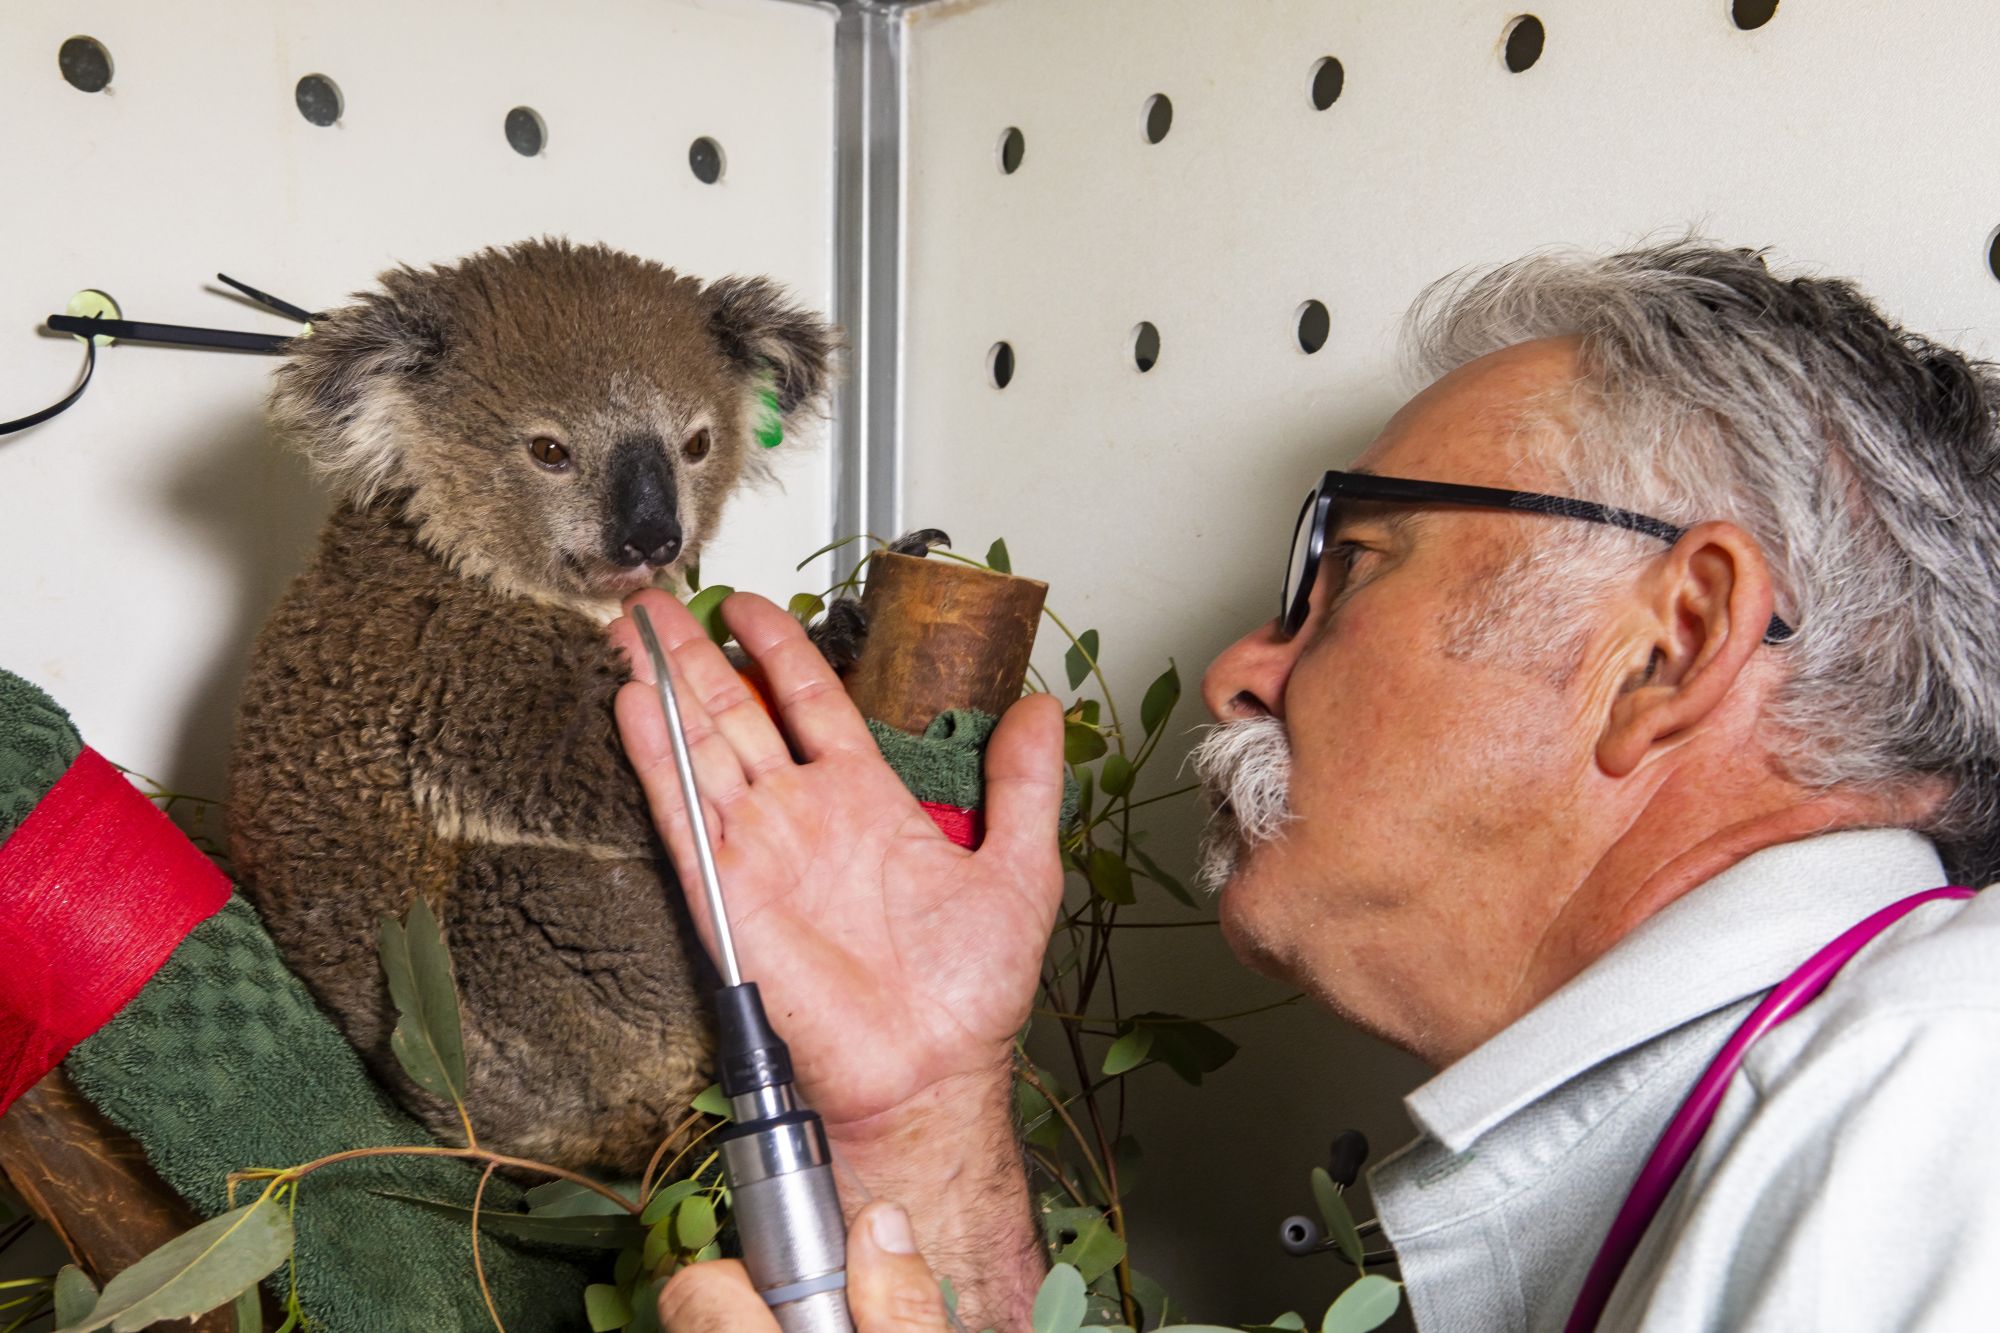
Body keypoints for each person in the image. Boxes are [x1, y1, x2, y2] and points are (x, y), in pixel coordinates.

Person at [607, 242, 2000, 1332]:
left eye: (1350, 566)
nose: (1235, 671)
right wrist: (919, 1104)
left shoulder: (1949, 1108)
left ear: (1671, 643)